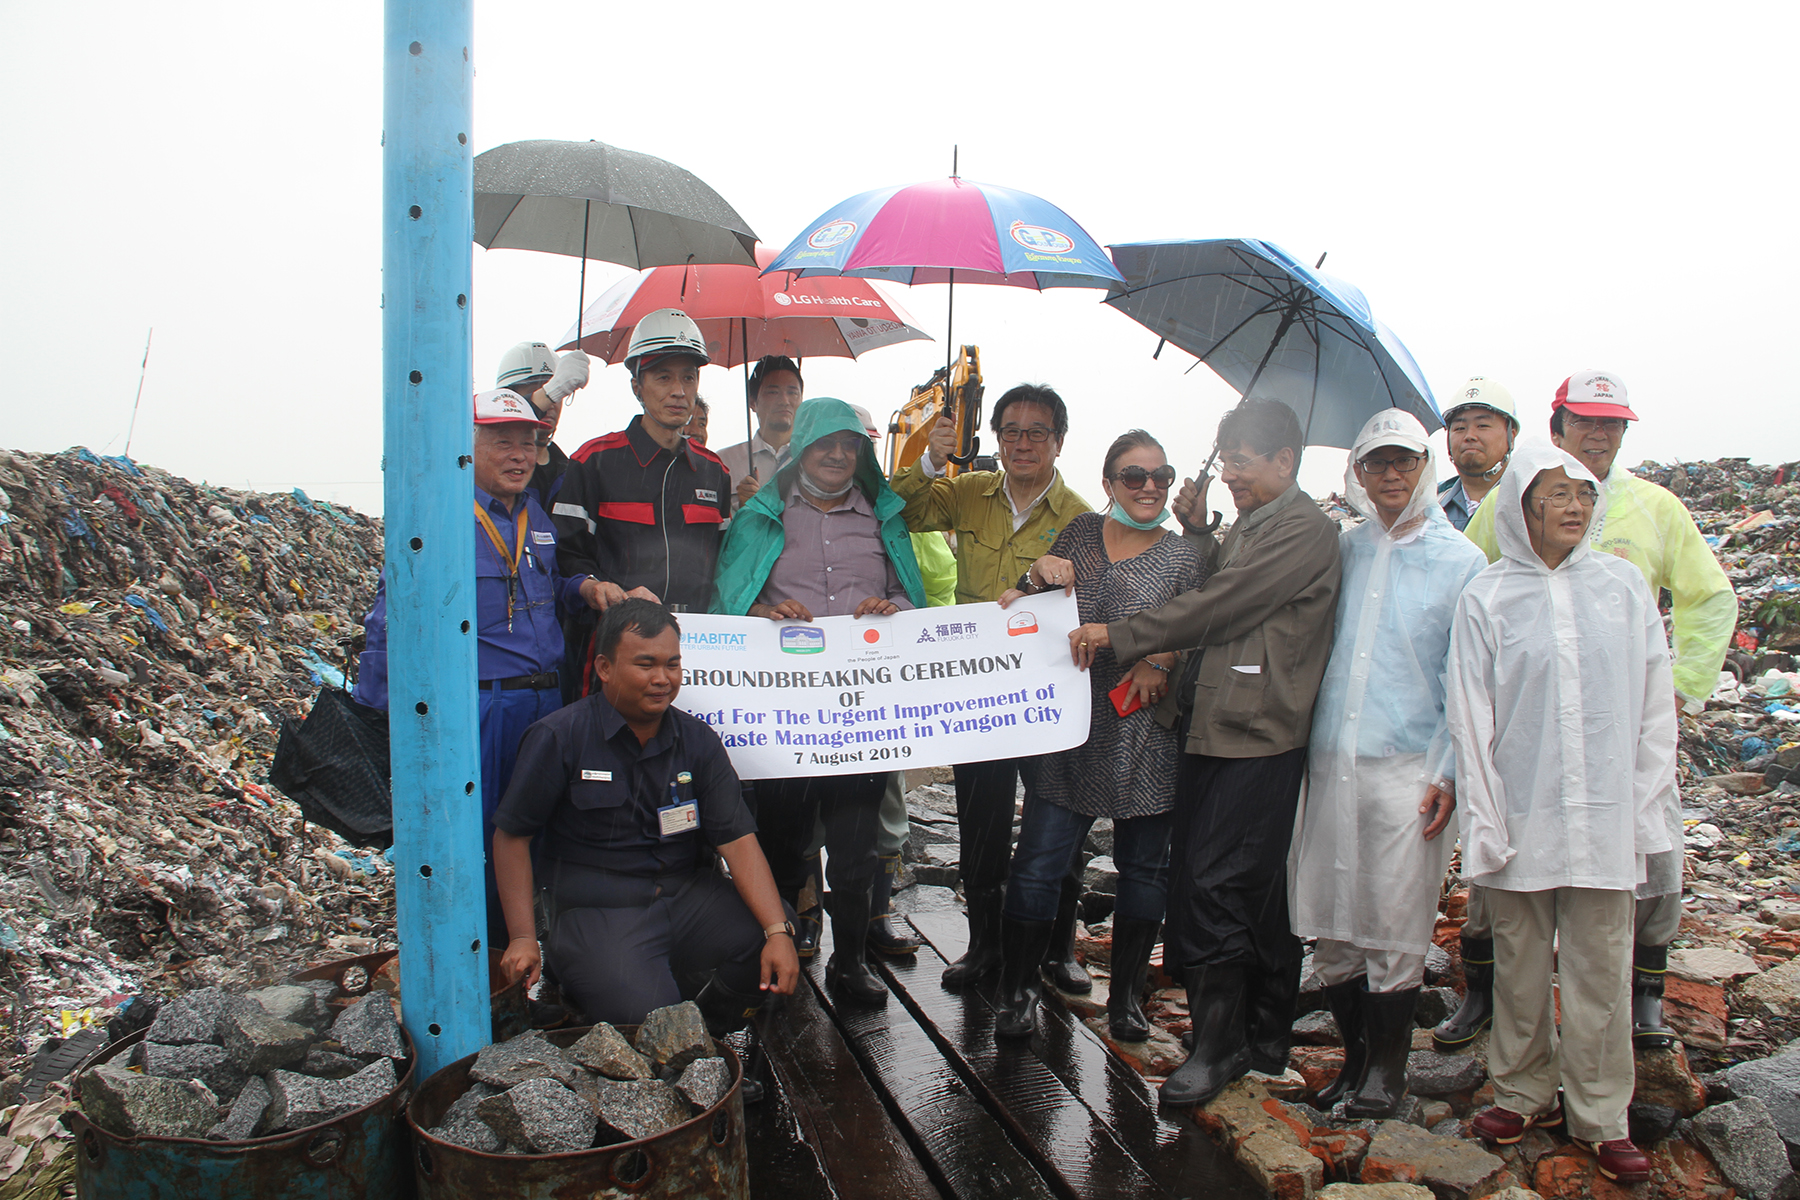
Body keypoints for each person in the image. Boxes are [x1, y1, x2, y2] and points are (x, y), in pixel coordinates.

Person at [1439, 371, 1734, 1053]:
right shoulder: (1511, 504)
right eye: (1585, 422)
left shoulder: (1655, 509)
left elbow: (1710, 598)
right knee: (1505, 869)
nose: (1598, 436)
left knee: (1648, 863)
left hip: (1617, 729)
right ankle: (1484, 995)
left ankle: (1644, 996)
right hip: (1532, 732)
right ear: (1556, 429)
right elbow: (1471, 593)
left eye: (1612, 424)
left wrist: (1679, 693)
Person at [1069, 397, 1340, 1107]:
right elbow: (1231, 580)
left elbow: (1225, 603)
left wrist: (1117, 635)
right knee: (1240, 883)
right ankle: (1267, 1029)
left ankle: (1218, 1045)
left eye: (1243, 461)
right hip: (1216, 723)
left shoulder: (1305, 529)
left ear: (1286, 461)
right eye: (1225, 460)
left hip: (1260, 735)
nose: (1230, 474)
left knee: (1217, 883)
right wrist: (1201, 530)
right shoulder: (1254, 525)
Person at [1451, 442, 1676, 1186]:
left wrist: (1645, 812)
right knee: (1518, 966)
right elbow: (1471, 716)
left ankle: (1602, 1114)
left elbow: (1652, 714)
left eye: (1582, 492)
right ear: (1521, 508)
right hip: (1523, 814)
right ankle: (1520, 1091)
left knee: (1600, 970)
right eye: (1554, 495)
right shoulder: (1489, 596)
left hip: (1607, 817)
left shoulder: (1622, 589)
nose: (1574, 506)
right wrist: (1485, 818)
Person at [353, 388, 613, 938]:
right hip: (482, 708)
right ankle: (481, 967)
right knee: (478, 839)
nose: (520, 455)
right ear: (467, 446)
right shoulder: (439, 519)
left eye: (529, 443)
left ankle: (530, 956)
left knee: (539, 834)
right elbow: (390, 622)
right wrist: (377, 721)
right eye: (503, 443)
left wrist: (584, 589)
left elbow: (544, 587)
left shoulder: (535, 516)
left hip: (545, 706)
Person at [1290, 410, 1487, 1118]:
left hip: (1411, 771)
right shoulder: (1346, 549)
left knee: (1396, 918)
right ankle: (1356, 1060)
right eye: (1377, 464)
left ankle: (1389, 1074)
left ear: (1424, 468)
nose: (1392, 475)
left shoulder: (1461, 561)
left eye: (1404, 462)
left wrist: (1450, 772)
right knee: (1334, 920)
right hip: (1332, 763)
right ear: (1359, 473)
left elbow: (1468, 682)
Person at [492, 599, 800, 1043]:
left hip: (684, 897)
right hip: (600, 914)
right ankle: (581, 980)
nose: (663, 679)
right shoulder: (559, 737)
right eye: (646, 664)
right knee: (643, 1018)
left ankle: (707, 1041)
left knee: (776, 937)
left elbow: (738, 841)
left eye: (673, 665)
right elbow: (512, 838)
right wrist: (522, 936)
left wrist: (776, 931)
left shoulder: (697, 741)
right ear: (603, 667)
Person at [711, 397, 925, 1006]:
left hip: (861, 713)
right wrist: (761, 612)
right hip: (787, 718)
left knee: (856, 851)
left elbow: (911, 597)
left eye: (849, 444)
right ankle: (779, 954)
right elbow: (730, 602)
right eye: (825, 443)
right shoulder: (764, 514)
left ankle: (851, 963)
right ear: (802, 447)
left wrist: (894, 609)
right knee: (781, 846)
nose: (837, 454)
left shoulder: (883, 518)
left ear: (862, 453)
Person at [992, 429, 1202, 1042]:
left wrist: (1160, 659)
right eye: (1133, 476)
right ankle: (1019, 988)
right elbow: (1023, 609)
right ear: (1108, 483)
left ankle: (1127, 999)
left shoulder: (1187, 554)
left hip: (1144, 729)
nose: (1148, 487)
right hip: (1069, 725)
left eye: (1160, 476)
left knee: (1144, 871)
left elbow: (1200, 626)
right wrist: (1036, 572)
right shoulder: (1081, 533)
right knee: (1037, 865)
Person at [891, 385, 1093, 991]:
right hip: (975, 693)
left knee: (1056, 816)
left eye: (1037, 432)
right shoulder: (966, 491)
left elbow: (1094, 599)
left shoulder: (1082, 518)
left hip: (1046, 696)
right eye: (1011, 431)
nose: (1023, 443)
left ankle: (1059, 949)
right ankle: (983, 946)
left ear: (1059, 441)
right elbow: (899, 511)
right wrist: (930, 456)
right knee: (979, 814)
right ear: (995, 437)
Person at [554, 309, 732, 690]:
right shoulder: (593, 462)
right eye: (663, 377)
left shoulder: (715, 472)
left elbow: (727, 564)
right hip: (615, 649)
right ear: (637, 386)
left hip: (701, 652)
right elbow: (564, 558)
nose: (679, 391)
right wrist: (599, 586)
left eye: (689, 376)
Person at [495, 341, 591, 508]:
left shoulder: (570, 472)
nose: (551, 403)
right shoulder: (490, 467)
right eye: (537, 392)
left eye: (560, 392)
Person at [717, 355, 804, 513]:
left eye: (792, 393)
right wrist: (745, 512)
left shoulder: (812, 458)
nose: (784, 400)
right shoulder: (724, 462)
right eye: (773, 392)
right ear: (752, 402)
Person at [1435, 378, 1518, 532]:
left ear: (1511, 437)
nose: (1470, 436)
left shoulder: (1527, 501)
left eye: (1483, 426)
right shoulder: (1430, 505)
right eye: (1460, 428)